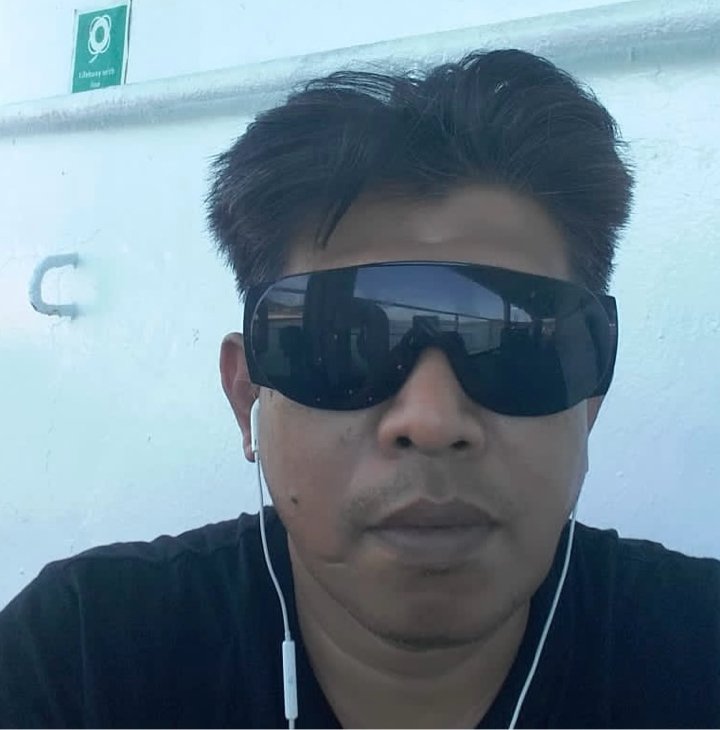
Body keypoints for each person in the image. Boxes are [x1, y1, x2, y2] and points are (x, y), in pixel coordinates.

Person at [0, 48, 718, 729]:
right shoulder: (80, 659)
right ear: (248, 398)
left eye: (516, 345)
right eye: (342, 343)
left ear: (588, 401)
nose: (431, 421)